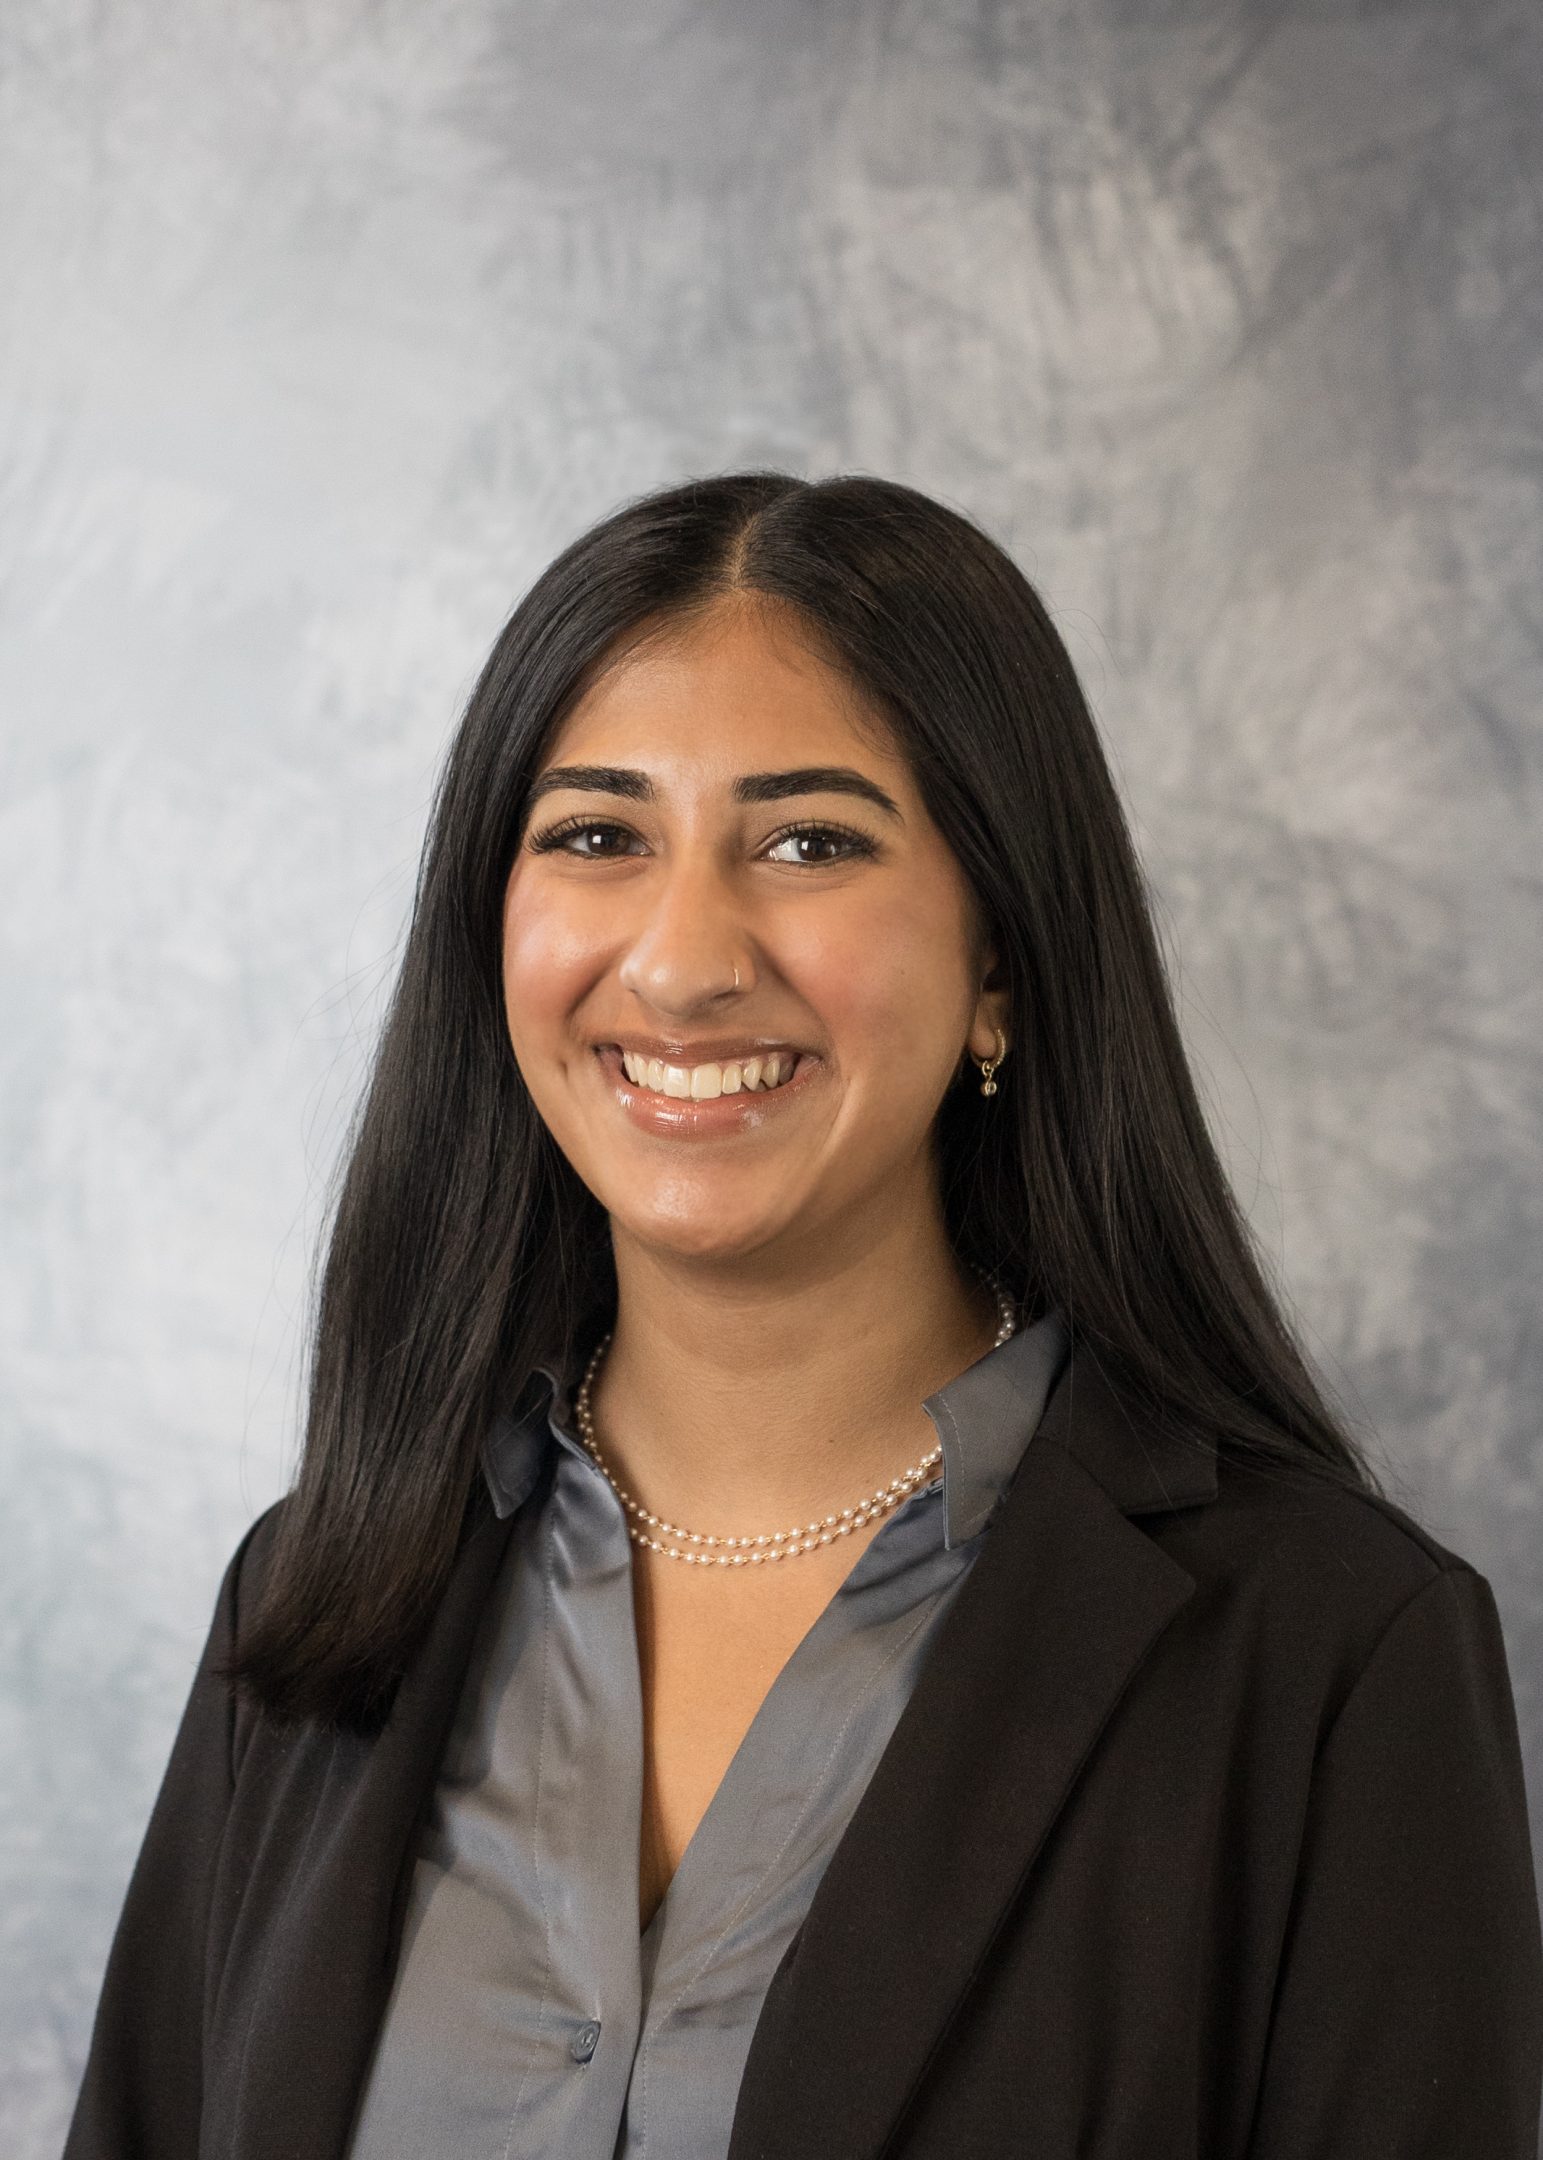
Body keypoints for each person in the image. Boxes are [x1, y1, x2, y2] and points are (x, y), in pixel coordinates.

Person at [63, 472, 1543, 2159]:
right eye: (597, 836)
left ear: (1002, 958)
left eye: (810, 842)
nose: (684, 959)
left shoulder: (1333, 1657)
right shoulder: (322, 1601)